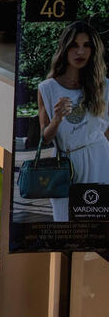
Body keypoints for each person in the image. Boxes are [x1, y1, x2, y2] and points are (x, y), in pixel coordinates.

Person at [39, 20, 109, 221]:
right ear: (65, 48)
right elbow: (44, 138)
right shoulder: (48, 88)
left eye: (86, 45)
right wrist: (58, 118)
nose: (81, 51)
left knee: (98, 222)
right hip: (65, 163)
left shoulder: (104, 87)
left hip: (100, 158)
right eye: (74, 45)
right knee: (64, 220)